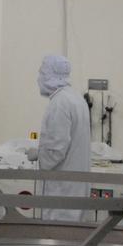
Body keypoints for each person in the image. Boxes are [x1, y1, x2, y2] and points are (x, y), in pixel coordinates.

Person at [27, 54, 91, 223]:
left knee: (58, 242)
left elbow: (55, 151)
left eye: (41, 73)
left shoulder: (59, 103)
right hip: (75, 189)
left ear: (50, 75)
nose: (38, 78)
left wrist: (39, 155)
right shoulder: (76, 98)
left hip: (62, 191)